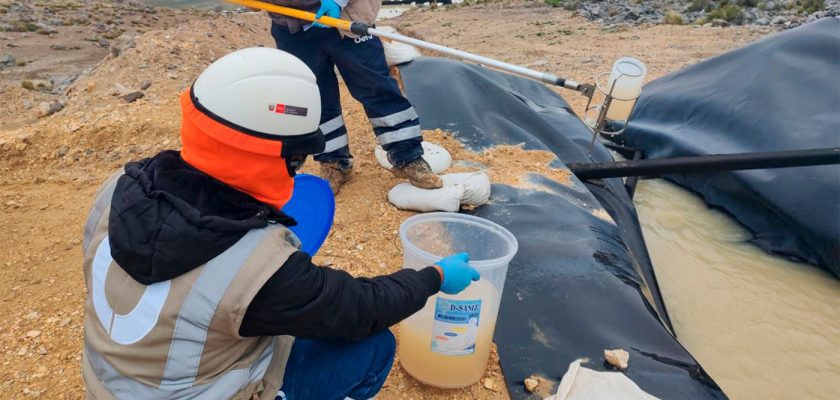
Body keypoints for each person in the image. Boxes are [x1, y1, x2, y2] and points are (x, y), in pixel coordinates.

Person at [80, 48, 479, 400]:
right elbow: (359, 308)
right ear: (285, 159)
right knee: (369, 348)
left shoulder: (119, 187)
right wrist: (436, 276)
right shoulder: (260, 271)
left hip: (106, 381)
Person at [264, 0, 443, 194]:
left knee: (375, 87)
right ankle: (334, 163)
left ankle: (408, 156)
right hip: (293, 26)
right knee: (314, 97)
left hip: (345, 17)